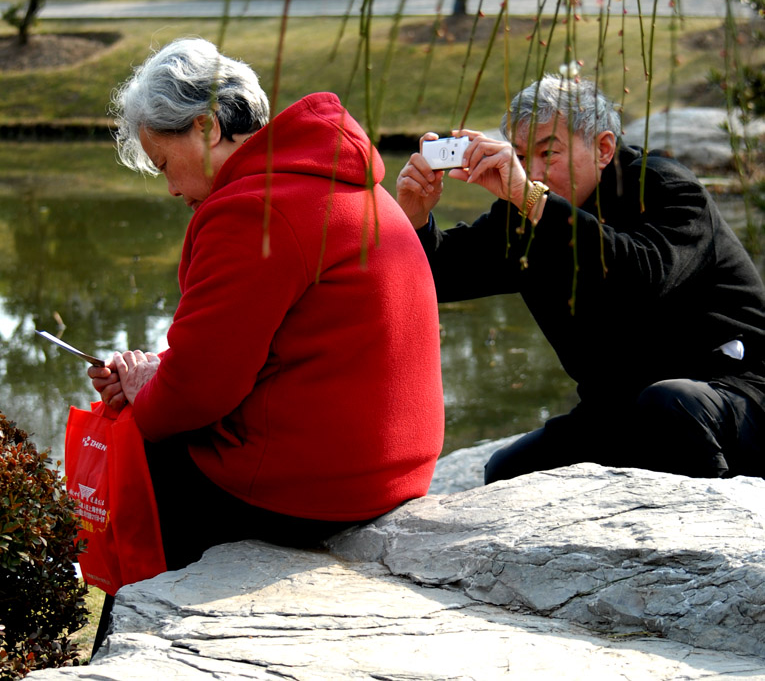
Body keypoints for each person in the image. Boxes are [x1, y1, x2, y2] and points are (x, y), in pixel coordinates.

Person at [89, 37, 444, 573]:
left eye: (165, 164)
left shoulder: (253, 211)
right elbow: (269, 346)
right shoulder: (339, 178)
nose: (169, 188)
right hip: (396, 469)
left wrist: (147, 393)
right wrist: (155, 376)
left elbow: (193, 396)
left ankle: (138, 636)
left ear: (206, 126)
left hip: (315, 490)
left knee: (147, 445)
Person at [396, 73, 765, 482]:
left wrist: (531, 198)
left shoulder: (665, 188)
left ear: (604, 148)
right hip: (618, 407)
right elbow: (443, 276)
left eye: (547, 154)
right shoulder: (525, 214)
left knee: (669, 405)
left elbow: (638, 277)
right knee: (509, 472)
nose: (532, 172)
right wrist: (415, 219)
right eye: (519, 156)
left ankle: (711, 535)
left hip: (731, 392)